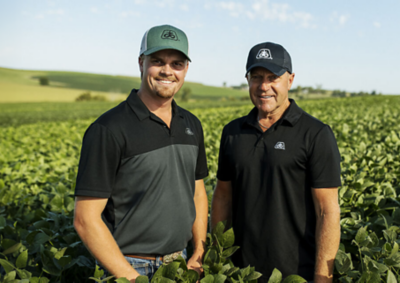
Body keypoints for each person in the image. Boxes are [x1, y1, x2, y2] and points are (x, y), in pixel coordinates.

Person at [73, 24, 209, 282]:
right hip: (128, 266)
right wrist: (132, 278)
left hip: (180, 263)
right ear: (141, 62)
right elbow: (85, 219)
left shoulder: (191, 124)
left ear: (186, 69)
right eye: (157, 61)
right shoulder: (108, 129)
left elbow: (197, 192)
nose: (167, 71)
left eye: (177, 63)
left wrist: (198, 252)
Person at [211, 42, 341, 283]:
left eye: (273, 77)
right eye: (256, 76)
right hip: (240, 274)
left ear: (290, 80)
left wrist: (323, 278)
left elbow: (327, 211)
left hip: (296, 274)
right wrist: (216, 261)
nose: (264, 86)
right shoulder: (232, 132)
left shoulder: (315, 134)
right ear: (247, 80)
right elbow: (223, 197)